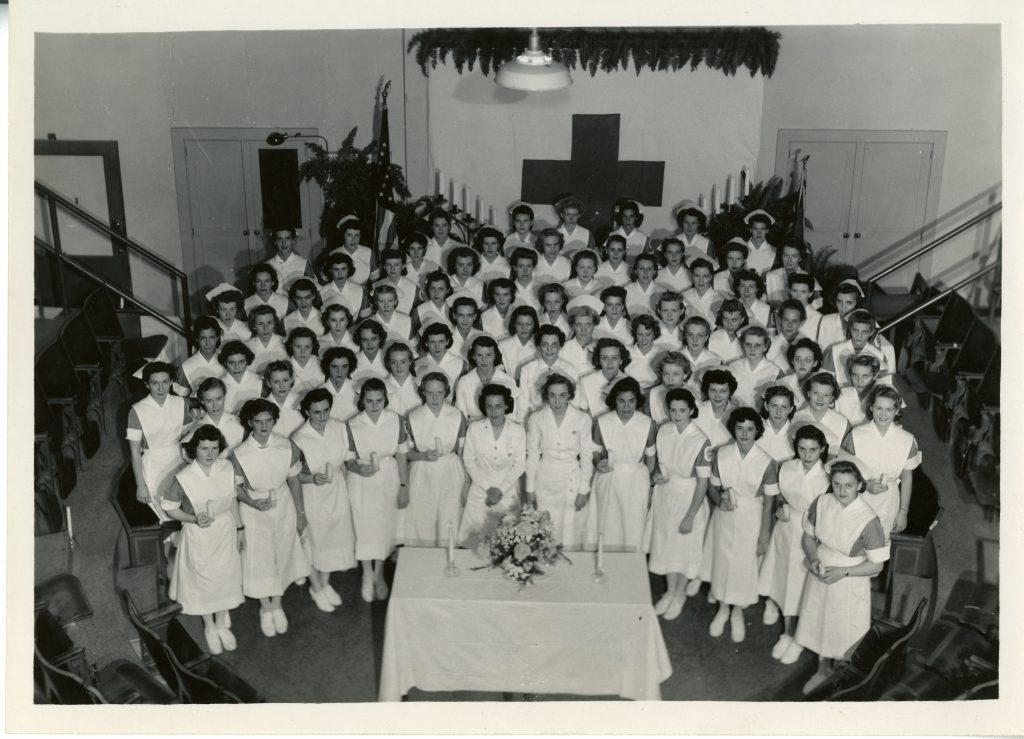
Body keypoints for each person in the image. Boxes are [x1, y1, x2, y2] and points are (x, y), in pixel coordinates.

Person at [794, 457, 889, 695]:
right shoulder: (822, 502)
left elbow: (877, 566)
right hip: (822, 570)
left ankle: (842, 677)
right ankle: (822, 669)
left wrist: (844, 572)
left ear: (859, 485)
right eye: (837, 484)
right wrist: (814, 559)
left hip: (850, 580)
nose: (842, 491)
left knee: (844, 630)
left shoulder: (868, 520)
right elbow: (807, 538)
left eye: (849, 485)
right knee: (819, 622)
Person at [161, 424, 244, 655]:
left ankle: (221, 623)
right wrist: (193, 519)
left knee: (224, 576)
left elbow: (233, 499)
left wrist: (240, 528)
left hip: (225, 530)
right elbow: (170, 508)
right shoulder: (183, 478)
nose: (210, 453)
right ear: (194, 449)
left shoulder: (226, 468)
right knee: (204, 580)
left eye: (214, 448)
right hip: (198, 534)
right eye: (204, 448)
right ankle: (210, 626)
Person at [232, 399, 311, 638]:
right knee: (259, 558)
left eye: (269, 421)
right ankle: (265, 608)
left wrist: (301, 515)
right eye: (258, 422)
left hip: (284, 504)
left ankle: (277, 604)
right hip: (254, 510)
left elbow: (294, 481)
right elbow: (236, 488)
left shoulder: (287, 446)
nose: (264, 426)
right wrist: (252, 502)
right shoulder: (239, 454)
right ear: (250, 422)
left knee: (282, 554)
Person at [705, 407, 779, 643]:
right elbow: (712, 486)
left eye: (750, 429)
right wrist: (719, 501)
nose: (745, 434)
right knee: (722, 563)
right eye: (740, 428)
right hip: (725, 517)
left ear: (757, 431)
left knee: (743, 567)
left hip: (751, 518)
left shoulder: (767, 463)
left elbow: (769, 503)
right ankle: (722, 609)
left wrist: (764, 537)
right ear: (733, 429)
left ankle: (737, 612)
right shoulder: (722, 454)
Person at [758, 424, 830, 664]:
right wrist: (781, 508)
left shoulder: (827, 478)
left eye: (813, 450)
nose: (807, 455)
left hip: (810, 535)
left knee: (802, 588)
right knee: (784, 582)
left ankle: (797, 638)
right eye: (802, 449)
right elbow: (780, 496)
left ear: (822, 449)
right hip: (786, 530)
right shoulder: (787, 467)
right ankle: (787, 632)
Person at [645, 388, 712, 620]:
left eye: (682, 410)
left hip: (689, 497)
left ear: (691, 411)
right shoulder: (664, 431)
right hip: (665, 495)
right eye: (672, 410)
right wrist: (656, 475)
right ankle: (670, 592)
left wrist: (690, 515)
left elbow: (703, 482)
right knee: (666, 545)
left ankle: (680, 594)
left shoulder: (701, 440)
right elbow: (658, 463)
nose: (676, 415)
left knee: (684, 549)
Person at [292, 388, 357, 613]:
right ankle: (317, 588)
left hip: (337, 490)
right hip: (311, 494)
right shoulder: (298, 439)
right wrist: (312, 478)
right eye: (316, 412)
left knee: (333, 539)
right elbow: (293, 476)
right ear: (306, 412)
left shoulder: (340, 428)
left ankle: (325, 583)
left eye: (326, 410)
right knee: (314, 541)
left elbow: (347, 460)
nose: (322, 416)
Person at [345, 378, 410, 602]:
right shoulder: (352, 424)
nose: (374, 405)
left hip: (388, 478)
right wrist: (358, 468)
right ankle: (367, 573)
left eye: (379, 401)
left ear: (385, 400)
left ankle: (379, 574)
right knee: (364, 526)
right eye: (369, 401)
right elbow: (348, 460)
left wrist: (404, 486)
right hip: (361, 481)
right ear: (362, 400)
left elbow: (401, 456)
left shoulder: (396, 420)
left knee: (384, 526)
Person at [525, 373, 597, 551]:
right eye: (552, 395)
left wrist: (583, 490)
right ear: (546, 395)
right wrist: (530, 488)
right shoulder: (536, 418)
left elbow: (586, 455)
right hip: (545, 480)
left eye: (562, 395)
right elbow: (532, 454)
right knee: (545, 530)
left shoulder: (582, 419)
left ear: (570, 395)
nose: (557, 401)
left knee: (571, 530)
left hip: (571, 479)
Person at [841, 385, 921, 535]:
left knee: (880, 543)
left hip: (889, 501)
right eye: (878, 408)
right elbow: (842, 472)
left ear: (896, 411)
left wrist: (903, 512)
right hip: (857, 496)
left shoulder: (907, 440)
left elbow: (907, 478)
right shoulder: (856, 435)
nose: (883, 414)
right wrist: (865, 485)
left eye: (889, 409)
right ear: (871, 408)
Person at [591, 377, 657, 552]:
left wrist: (647, 483)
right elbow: (595, 451)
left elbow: (651, 458)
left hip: (636, 482)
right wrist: (599, 462)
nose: (626, 407)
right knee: (608, 526)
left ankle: (634, 565)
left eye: (631, 401)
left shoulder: (647, 423)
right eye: (621, 401)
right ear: (614, 400)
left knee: (634, 527)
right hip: (609, 479)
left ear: (637, 401)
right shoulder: (602, 421)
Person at [404, 372, 469, 547]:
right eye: (430, 393)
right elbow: (406, 453)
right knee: (422, 520)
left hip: (451, 471)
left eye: (439, 393)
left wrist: (467, 482)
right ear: (423, 392)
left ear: (446, 392)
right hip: (422, 473)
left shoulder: (457, 415)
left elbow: (463, 452)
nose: (434, 398)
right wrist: (422, 456)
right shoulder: (413, 417)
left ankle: (449, 556)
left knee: (449, 518)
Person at [459, 384, 527, 545]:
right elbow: (469, 461)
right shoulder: (474, 429)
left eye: (498, 406)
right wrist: (488, 488)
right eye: (489, 406)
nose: (493, 411)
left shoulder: (517, 431)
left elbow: (519, 465)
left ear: (506, 406)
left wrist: (500, 489)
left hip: (507, 491)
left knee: (507, 543)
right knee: (473, 544)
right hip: (480, 491)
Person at [126, 361, 190, 519]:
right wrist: (140, 485)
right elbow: (134, 452)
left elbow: (187, 436)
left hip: (179, 460)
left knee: (186, 508)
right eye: (155, 383)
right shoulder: (137, 411)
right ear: (147, 384)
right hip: (154, 466)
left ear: (171, 382)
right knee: (166, 513)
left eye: (165, 382)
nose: (161, 388)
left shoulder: (181, 403)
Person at [516, 324, 575, 420]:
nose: (549, 349)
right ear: (538, 346)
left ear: (560, 346)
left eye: (554, 345)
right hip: (536, 420)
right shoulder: (527, 370)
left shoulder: (571, 370)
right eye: (545, 344)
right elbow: (522, 405)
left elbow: (574, 402)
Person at [822, 308, 894, 387]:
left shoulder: (879, 356)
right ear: (850, 328)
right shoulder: (834, 351)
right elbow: (824, 382)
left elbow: (883, 386)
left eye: (864, 332)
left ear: (871, 332)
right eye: (855, 331)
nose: (859, 336)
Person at [455, 336, 517, 422]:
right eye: (479, 355)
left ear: (495, 355)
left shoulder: (508, 380)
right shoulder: (464, 381)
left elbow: (511, 416)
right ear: (473, 356)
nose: (484, 360)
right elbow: (461, 417)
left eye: (488, 355)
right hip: (473, 428)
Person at [727, 326, 782, 409]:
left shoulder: (775, 371)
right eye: (748, 344)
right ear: (742, 345)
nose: (752, 349)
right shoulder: (733, 367)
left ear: (765, 347)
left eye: (757, 345)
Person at [187, 377, 245, 455]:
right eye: (209, 401)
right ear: (202, 401)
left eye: (218, 399)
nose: (215, 405)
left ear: (224, 396)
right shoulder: (197, 428)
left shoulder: (239, 423)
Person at [792, 371, 849, 448]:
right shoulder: (795, 418)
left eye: (826, 395)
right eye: (816, 393)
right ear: (808, 393)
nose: (820, 399)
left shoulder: (843, 422)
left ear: (831, 398)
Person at [578, 337, 631, 415]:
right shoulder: (586, 381)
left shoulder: (630, 383)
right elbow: (583, 412)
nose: (609, 363)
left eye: (614, 358)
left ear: (621, 360)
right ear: (599, 360)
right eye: (604, 358)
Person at [764, 240, 821, 307]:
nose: (789, 260)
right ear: (781, 256)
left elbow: (818, 303)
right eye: (786, 255)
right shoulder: (770, 276)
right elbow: (763, 302)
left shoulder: (808, 277)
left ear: (800, 258)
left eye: (794, 256)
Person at [178, 316, 226, 395]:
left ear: (217, 338)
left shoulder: (227, 361)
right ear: (197, 339)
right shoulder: (185, 367)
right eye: (203, 338)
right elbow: (181, 398)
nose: (208, 343)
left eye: (211, 337)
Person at [415, 321, 465, 393]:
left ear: (447, 341)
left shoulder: (460, 364)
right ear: (426, 343)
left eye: (441, 342)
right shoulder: (418, 364)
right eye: (432, 342)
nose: (437, 346)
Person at [817, 279, 865, 350]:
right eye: (839, 302)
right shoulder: (827, 320)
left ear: (857, 303)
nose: (843, 307)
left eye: (849, 303)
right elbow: (821, 348)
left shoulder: (867, 321)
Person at [647, 352, 694, 424]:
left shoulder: (693, 396)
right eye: (666, 374)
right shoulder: (653, 393)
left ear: (685, 375)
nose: (670, 379)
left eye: (675, 374)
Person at [262, 359, 305, 437]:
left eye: (285, 380)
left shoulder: (303, 402)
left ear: (292, 379)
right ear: (268, 383)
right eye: (276, 382)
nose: (281, 386)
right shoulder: (261, 406)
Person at [559, 300, 600, 381]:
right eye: (579, 325)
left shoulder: (602, 348)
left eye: (588, 325)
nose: (583, 330)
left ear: (594, 325)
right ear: (573, 326)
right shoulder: (562, 350)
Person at [218, 341, 263, 415]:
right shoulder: (219, 385)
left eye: (241, 362)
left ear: (247, 361)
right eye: (232, 363)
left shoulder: (259, 381)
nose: (237, 367)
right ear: (225, 362)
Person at [836, 354, 882, 426]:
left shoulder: (882, 397)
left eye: (865, 376)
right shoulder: (840, 395)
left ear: (875, 376)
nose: (859, 381)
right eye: (855, 375)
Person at [779, 337, 824, 410]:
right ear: (792, 361)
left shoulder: (823, 384)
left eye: (808, 360)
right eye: (798, 359)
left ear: (815, 363)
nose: (802, 364)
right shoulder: (781, 383)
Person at [319, 252, 367, 318]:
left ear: (348, 270)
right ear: (330, 270)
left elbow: (365, 317)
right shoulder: (322, 291)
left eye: (343, 269)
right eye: (336, 269)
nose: (340, 273)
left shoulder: (360, 290)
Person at [498, 305, 539, 381]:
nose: (524, 328)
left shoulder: (540, 345)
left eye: (528, 324)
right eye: (520, 324)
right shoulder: (503, 345)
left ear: (534, 325)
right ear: (514, 324)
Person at [757, 384, 797, 463]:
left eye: (784, 407)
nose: (778, 412)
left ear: (790, 409)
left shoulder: (797, 435)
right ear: (766, 406)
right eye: (774, 406)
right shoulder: (755, 431)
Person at [266, 227, 314, 292]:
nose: (284, 243)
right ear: (275, 242)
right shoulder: (268, 265)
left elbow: (312, 289)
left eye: (287, 238)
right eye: (280, 239)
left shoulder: (304, 263)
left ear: (293, 241)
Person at [329, 215, 373, 285]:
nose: (353, 240)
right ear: (343, 235)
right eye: (349, 235)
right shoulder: (333, 254)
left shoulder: (369, 253)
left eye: (357, 235)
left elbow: (375, 282)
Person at [766, 299, 807, 373]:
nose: (789, 325)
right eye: (786, 320)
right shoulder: (770, 343)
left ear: (801, 322)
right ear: (779, 320)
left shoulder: (808, 346)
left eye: (794, 321)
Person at [373, 248, 418, 315]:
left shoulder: (414, 288)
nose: (392, 269)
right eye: (389, 265)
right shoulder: (376, 286)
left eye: (396, 265)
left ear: (403, 266)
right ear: (384, 266)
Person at [319, 346, 359, 423]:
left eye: (344, 366)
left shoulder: (359, 389)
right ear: (327, 367)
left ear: (350, 367)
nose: (339, 371)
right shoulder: (318, 392)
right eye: (335, 367)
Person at [245, 304, 287, 376]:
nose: (265, 328)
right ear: (254, 325)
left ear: (274, 323)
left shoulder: (285, 342)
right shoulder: (246, 347)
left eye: (269, 323)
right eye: (260, 324)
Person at [383, 342, 422, 416]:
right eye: (394, 362)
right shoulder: (382, 388)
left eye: (403, 362)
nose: (398, 367)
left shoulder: (420, 385)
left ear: (410, 361)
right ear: (388, 363)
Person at [681, 257, 725, 324]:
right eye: (697, 276)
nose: (700, 281)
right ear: (692, 276)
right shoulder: (683, 297)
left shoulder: (720, 299)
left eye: (705, 276)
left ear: (710, 277)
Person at [672, 201, 715, 265]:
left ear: (699, 224)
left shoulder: (707, 243)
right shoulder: (672, 241)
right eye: (686, 222)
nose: (689, 227)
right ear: (682, 223)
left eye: (693, 223)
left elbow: (712, 266)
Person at [627, 315, 662, 390]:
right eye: (640, 334)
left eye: (648, 334)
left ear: (654, 334)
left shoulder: (662, 353)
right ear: (635, 334)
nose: (644, 339)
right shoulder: (626, 351)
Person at [708, 299, 749, 364]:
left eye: (734, 320)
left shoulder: (748, 338)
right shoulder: (713, 337)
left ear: (742, 319)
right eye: (725, 319)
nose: (729, 324)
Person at [286, 327, 325, 394]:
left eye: (307, 347)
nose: (303, 352)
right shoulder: (284, 366)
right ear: (291, 346)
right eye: (298, 347)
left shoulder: (322, 364)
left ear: (313, 346)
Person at [413, 271, 453, 336]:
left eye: (440, 289)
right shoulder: (419, 310)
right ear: (428, 289)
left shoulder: (454, 307)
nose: (436, 293)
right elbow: (413, 337)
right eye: (432, 288)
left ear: (447, 290)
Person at [741, 209, 777, 276]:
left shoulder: (775, 251)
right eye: (755, 229)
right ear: (750, 229)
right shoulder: (741, 249)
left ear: (767, 230)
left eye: (762, 229)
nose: (759, 233)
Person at [624, 253, 661, 317]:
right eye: (641, 268)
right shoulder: (626, 290)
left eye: (649, 269)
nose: (645, 272)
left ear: (654, 271)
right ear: (636, 270)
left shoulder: (662, 291)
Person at [448, 295, 483, 360]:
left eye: (469, 315)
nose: (465, 320)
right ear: (454, 315)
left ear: (475, 316)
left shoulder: (483, 336)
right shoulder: (446, 338)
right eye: (461, 315)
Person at [509, 247, 541, 311]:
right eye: (521, 266)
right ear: (514, 267)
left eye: (528, 266)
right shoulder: (508, 289)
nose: (525, 270)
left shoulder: (541, 289)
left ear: (533, 267)